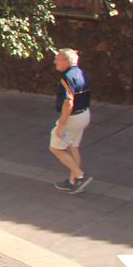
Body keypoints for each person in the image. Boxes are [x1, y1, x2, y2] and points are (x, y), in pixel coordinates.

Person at [49, 49, 92, 194]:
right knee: (73, 147)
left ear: (67, 61)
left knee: (56, 147)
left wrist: (61, 124)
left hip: (72, 119)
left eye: (58, 59)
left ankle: (80, 176)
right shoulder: (81, 73)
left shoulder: (67, 77)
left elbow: (69, 103)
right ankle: (74, 182)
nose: (55, 62)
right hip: (84, 114)